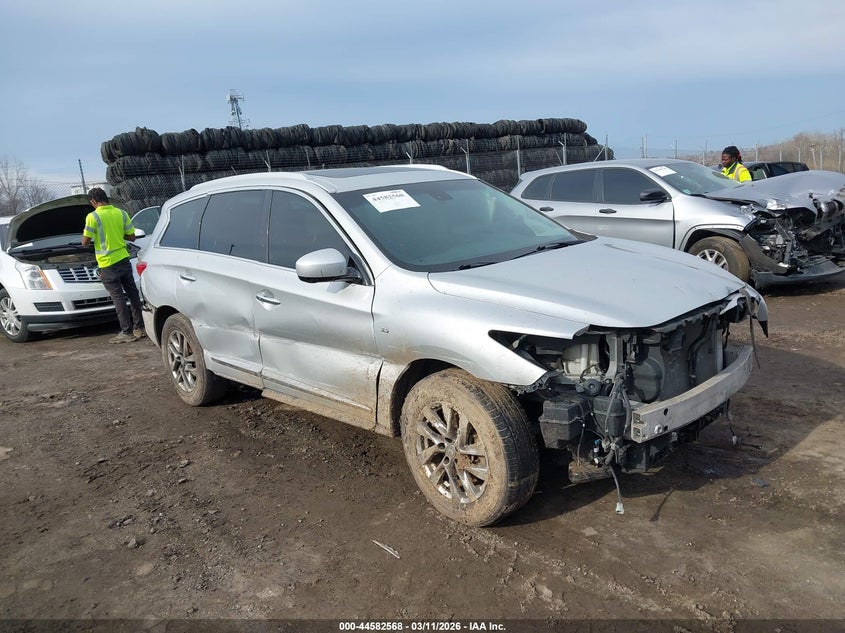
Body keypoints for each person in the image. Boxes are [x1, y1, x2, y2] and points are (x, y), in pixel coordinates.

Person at [81, 188, 144, 343]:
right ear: (106, 198)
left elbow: (85, 242)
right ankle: (139, 328)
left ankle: (127, 332)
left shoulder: (92, 216)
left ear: (93, 201)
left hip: (107, 263)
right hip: (123, 258)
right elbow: (132, 237)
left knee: (118, 298)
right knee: (133, 294)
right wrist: (116, 235)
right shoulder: (121, 213)